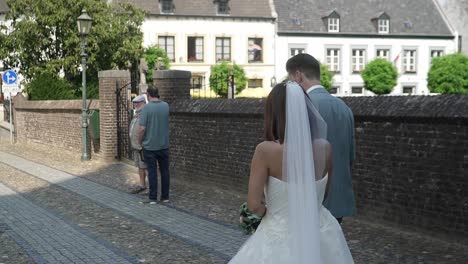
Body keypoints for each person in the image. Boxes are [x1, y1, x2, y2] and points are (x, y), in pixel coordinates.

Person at [229, 82, 353, 263]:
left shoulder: (265, 151)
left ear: (273, 113)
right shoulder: (325, 148)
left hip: (279, 234)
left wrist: (273, 215)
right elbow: (323, 194)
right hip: (319, 230)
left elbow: (254, 205)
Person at [287, 53, 356, 223]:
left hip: (311, 198)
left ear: (298, 75)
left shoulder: (301, 106)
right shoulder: (344, 108)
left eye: (290, 79)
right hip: (339, 197)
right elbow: (350, 155)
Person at [138, 86, 170, 204]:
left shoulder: (146, 108)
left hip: (150, 145)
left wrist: (140, 140)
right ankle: (165, 196)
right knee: (165, 171)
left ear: (148, 94)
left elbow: (142, 128)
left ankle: (152, 198)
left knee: (152, 172)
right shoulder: (166, 106)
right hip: (164, 144)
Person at [129, 94, 147, 194]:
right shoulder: (137, 114)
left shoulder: (144, 113)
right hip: (136, 146)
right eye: (135, 103)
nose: (135, 104)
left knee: (146, 167)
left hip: (142, 146)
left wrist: (141, 143)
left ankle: (151, 188)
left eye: (138, 103)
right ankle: (142, 185)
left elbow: (144, 130)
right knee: (140, 167)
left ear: (143, 103)